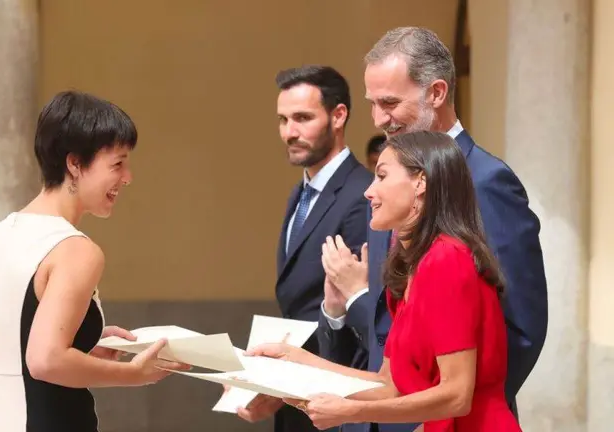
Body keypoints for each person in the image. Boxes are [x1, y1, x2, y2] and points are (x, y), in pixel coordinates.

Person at [317, 27, 547, 432]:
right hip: (381, 407)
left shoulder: (486, 182)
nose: (378, 120)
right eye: (373, 104)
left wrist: (427, 416)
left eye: (390, 102)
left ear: (437, 93)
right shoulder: (389, 184)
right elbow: (395, 327)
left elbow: (519, 329)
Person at [249, 131, 522, 431]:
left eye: (381, 176)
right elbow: (389, 384)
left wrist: (350, 411)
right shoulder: (415, 266)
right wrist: (298, 360)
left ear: (421, 182)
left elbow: (457, 395)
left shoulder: (447, 258)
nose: (369, 192)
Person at [0, 91, 189, 432]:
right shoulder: (74, 248)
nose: (127, 177)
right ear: (74, 163)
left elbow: (3, 344)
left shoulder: (0, 233)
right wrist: (135, 373)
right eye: (117, 163)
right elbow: (45, 360)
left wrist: (83, 343)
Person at [234, 66, 373, 432]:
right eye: (282, 120)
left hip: (334, 399)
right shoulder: (301, 192)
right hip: (294, 389)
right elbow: (298, 300)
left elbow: (361, 314)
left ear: (338, 115)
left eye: (302, 118)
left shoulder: (362, 195)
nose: (289, 132)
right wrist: (263, 376)